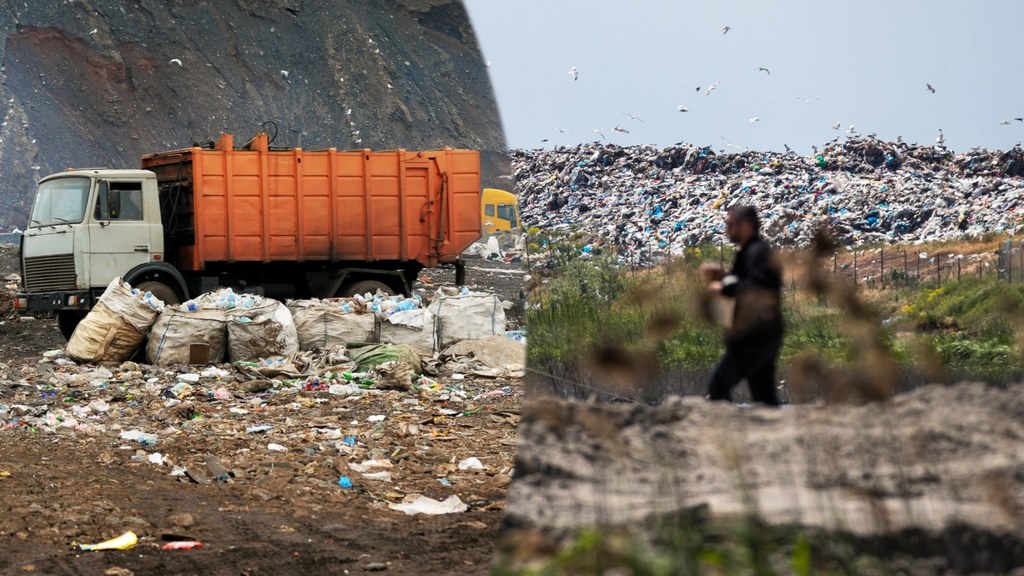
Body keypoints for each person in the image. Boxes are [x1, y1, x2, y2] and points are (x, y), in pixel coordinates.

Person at [704, 205, 783, 406]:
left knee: (719, 386)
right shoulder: (749, 253)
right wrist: (722, 278)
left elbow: (759, 285)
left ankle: (728, 434)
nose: (727, 230)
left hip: (756, 335)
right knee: (764, 397)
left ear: (745, 226)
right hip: (760, 334)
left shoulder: (758, 252)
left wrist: (723, 287)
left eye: (730, 225)